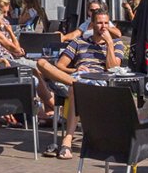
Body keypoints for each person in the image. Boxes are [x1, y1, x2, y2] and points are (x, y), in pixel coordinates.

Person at [37, 10, 126, 159]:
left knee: (74, 89)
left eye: (106, 23)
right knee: (41, 63)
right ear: (92, 24)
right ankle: (77, 84)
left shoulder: (116, 44)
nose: (103, 26)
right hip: (76, 77)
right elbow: (60, 65)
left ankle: (67, 141)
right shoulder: (79, 42)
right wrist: (75, 69)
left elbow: (112, 69)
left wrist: (109, 43)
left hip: (98, 81)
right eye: (99, 23)